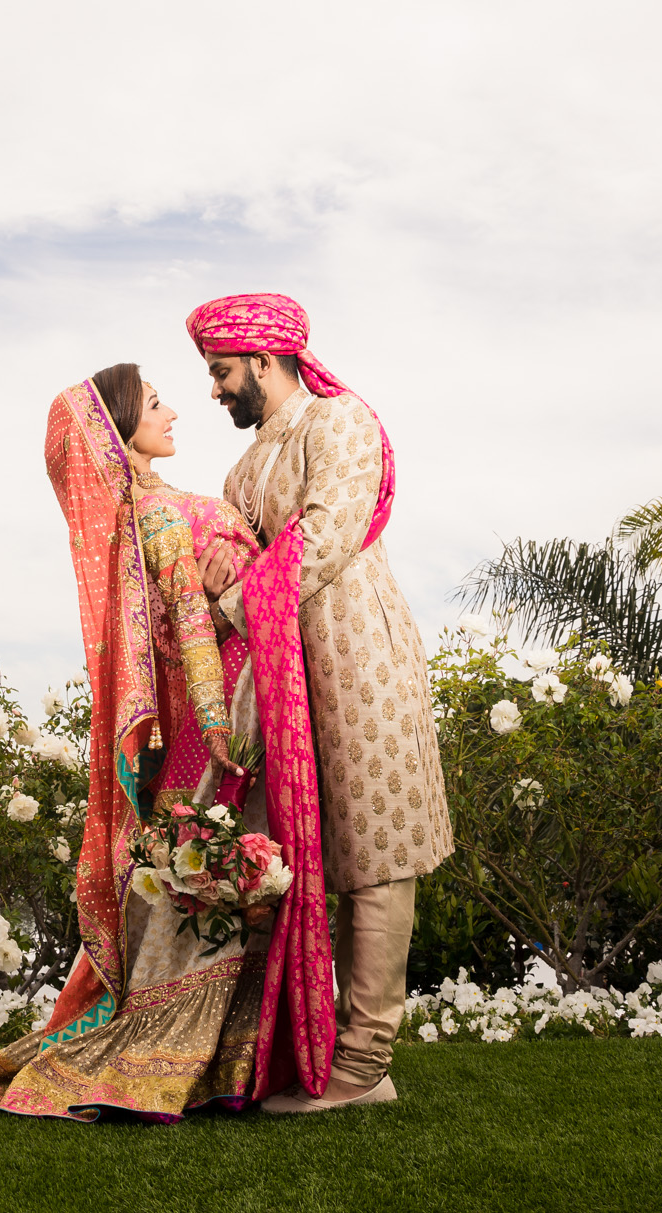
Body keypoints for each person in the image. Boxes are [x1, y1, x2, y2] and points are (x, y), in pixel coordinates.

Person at [0, 364, 292, 1120]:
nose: (174, 412)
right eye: (156, 404)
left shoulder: (146, 516)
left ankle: (231, 1058)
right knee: (224, 865)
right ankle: (192, 1059)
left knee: (227, 868)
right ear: (121, 432)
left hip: (242, 686)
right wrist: (220, 731)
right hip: (230, 697)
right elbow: (190, 627)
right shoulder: (156, 515)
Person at [187, 292, 454, 1114]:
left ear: (265, 361)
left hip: (357, 649)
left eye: (222, 372)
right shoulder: (241, 467)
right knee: (288, 857)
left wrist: (230, 608)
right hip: (282, 676)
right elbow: (226, 555)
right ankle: (286, 1046)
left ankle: (365, 1064)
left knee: (375, 847)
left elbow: (325, 531)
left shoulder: (338, 422)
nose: (214, 390)